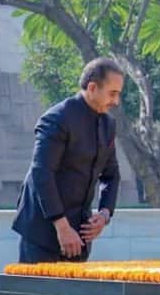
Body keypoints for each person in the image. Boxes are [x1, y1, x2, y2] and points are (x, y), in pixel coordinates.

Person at [12, 57, 124, 264]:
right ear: (92, 87)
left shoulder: (108, 124)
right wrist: (62, 227)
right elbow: (42, 174)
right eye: (112, 94)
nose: (116, 101)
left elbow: (111, 174)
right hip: (43, 232)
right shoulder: (57, 118)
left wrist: (104, 214)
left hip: (79, 234)